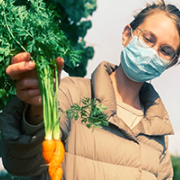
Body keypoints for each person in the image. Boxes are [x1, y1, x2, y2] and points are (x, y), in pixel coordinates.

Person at [0, 0, 180, 179]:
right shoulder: (70, 93)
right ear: (127, 34)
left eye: (165, 51)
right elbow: (21, 164)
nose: (153, 52)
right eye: (148, 39)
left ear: (169, 64)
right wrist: (38, 109)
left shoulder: (158, 133)